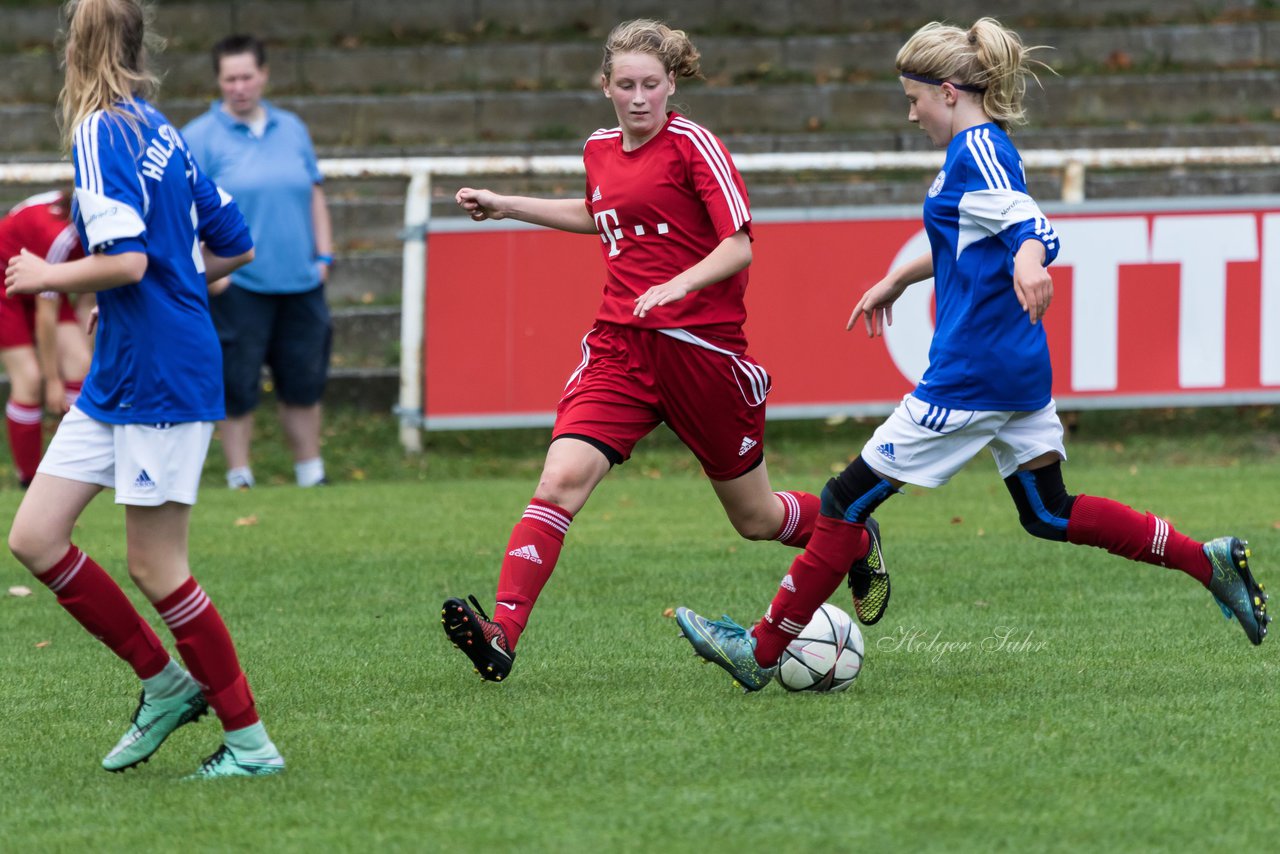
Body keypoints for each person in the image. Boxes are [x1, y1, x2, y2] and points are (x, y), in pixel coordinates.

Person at [676, 17, 1270, 692]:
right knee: (1048, 512)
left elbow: (1029, 223)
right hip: (1012, 368)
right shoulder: (973, 153)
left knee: (844, 501)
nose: (912, 111)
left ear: (950, 91)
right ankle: (1207, 561)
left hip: (972, 376)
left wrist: (1028, 259)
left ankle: (758, 652)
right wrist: (900, 277)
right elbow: (971, 228)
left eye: (914, 98)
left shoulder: (980, 150)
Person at [441, 18, 887, 683]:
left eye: (652, 84)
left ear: (671, 83)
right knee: (560, 479)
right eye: (626, 85)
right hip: (622, 349)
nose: (640, 97)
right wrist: (507, 205)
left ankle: (851, 531)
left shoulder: (694, 146)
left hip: (702, 352)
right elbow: (600, 213)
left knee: (757, 518)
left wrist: (674, 285)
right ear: (606, 87)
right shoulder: (598, 148)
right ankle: (501, 631)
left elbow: (738, 244)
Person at [4, 0, 284, 777]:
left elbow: (125, 259)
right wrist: (161, 294)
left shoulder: (100, 131)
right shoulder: (160, 128)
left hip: (162, 373)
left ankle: (251, 745)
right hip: (124, 371)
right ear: (137, 45)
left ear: (76, 47)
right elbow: (234, 246)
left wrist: (48, 277)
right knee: (34, 536)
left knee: (158, 567)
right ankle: (164, 684)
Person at [182, 33, 333, 490]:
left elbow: (314, 192)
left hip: (302, 280)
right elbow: (183, 213)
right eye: (230, 78)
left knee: (304, 380)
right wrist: (213, 278)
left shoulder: (293, 128)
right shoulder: (197, 137)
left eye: (247, 76)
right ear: (218, 81)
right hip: (238, 284)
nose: (240, 86)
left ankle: (311, 472)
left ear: (264, 75)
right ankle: (239, 475)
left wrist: (324, 256)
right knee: (237, 384)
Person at [0, 190, 93, 486]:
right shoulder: (60, 235)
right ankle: (29, 478)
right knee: (29, 379)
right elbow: (46, 312)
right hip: (6, 288)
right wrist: (53, 379)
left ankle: (74, 471)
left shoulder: (105, 227)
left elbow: (90, 293)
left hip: (44, 286)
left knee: (81, 364)